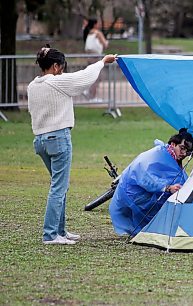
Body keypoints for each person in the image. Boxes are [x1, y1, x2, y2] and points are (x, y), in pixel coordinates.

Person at [28, 45, 117, 245]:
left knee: (59, 185)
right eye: (62, 66)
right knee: (58, 188)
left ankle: (60, 230)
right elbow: (84, 78)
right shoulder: (57, 82)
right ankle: (50, 234)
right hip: (58, 139)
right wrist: (102, 62)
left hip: (40, 141)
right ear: (56, 66)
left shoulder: (32, 85)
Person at [109, 129, 193, 236]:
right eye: (182, 148)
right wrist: (168, 188)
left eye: (187, 152)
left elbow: (180, 179)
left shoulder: (173, 159)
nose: (184, 154)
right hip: (133, 193)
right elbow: (144, 176)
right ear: (173, 144)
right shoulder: (157, 154)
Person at [83, 18, 109, 101]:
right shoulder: (98, 33)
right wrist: (107, 43)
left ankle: (88, 91)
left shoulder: (89, 33)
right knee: (97, 77)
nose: (99, 25)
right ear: (95, 24)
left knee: (91, 75)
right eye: (98, 23)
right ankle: (92, 96)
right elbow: (105, 44)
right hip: (96, 57)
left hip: (89, 57)